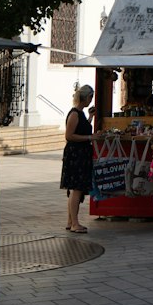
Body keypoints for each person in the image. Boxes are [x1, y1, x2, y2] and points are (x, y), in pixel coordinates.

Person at [61, 84, 95, 233]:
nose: (90, 100)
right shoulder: (74, 113)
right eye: (90, 97)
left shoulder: (80, 113)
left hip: (81, 153)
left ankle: (71, 221)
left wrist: (91, 117)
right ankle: (75, 223)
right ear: (86, 97)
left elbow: (82, 128)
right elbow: (69, 135)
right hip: (76, 154)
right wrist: (90, 137)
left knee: (76, 189)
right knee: (76, 188)